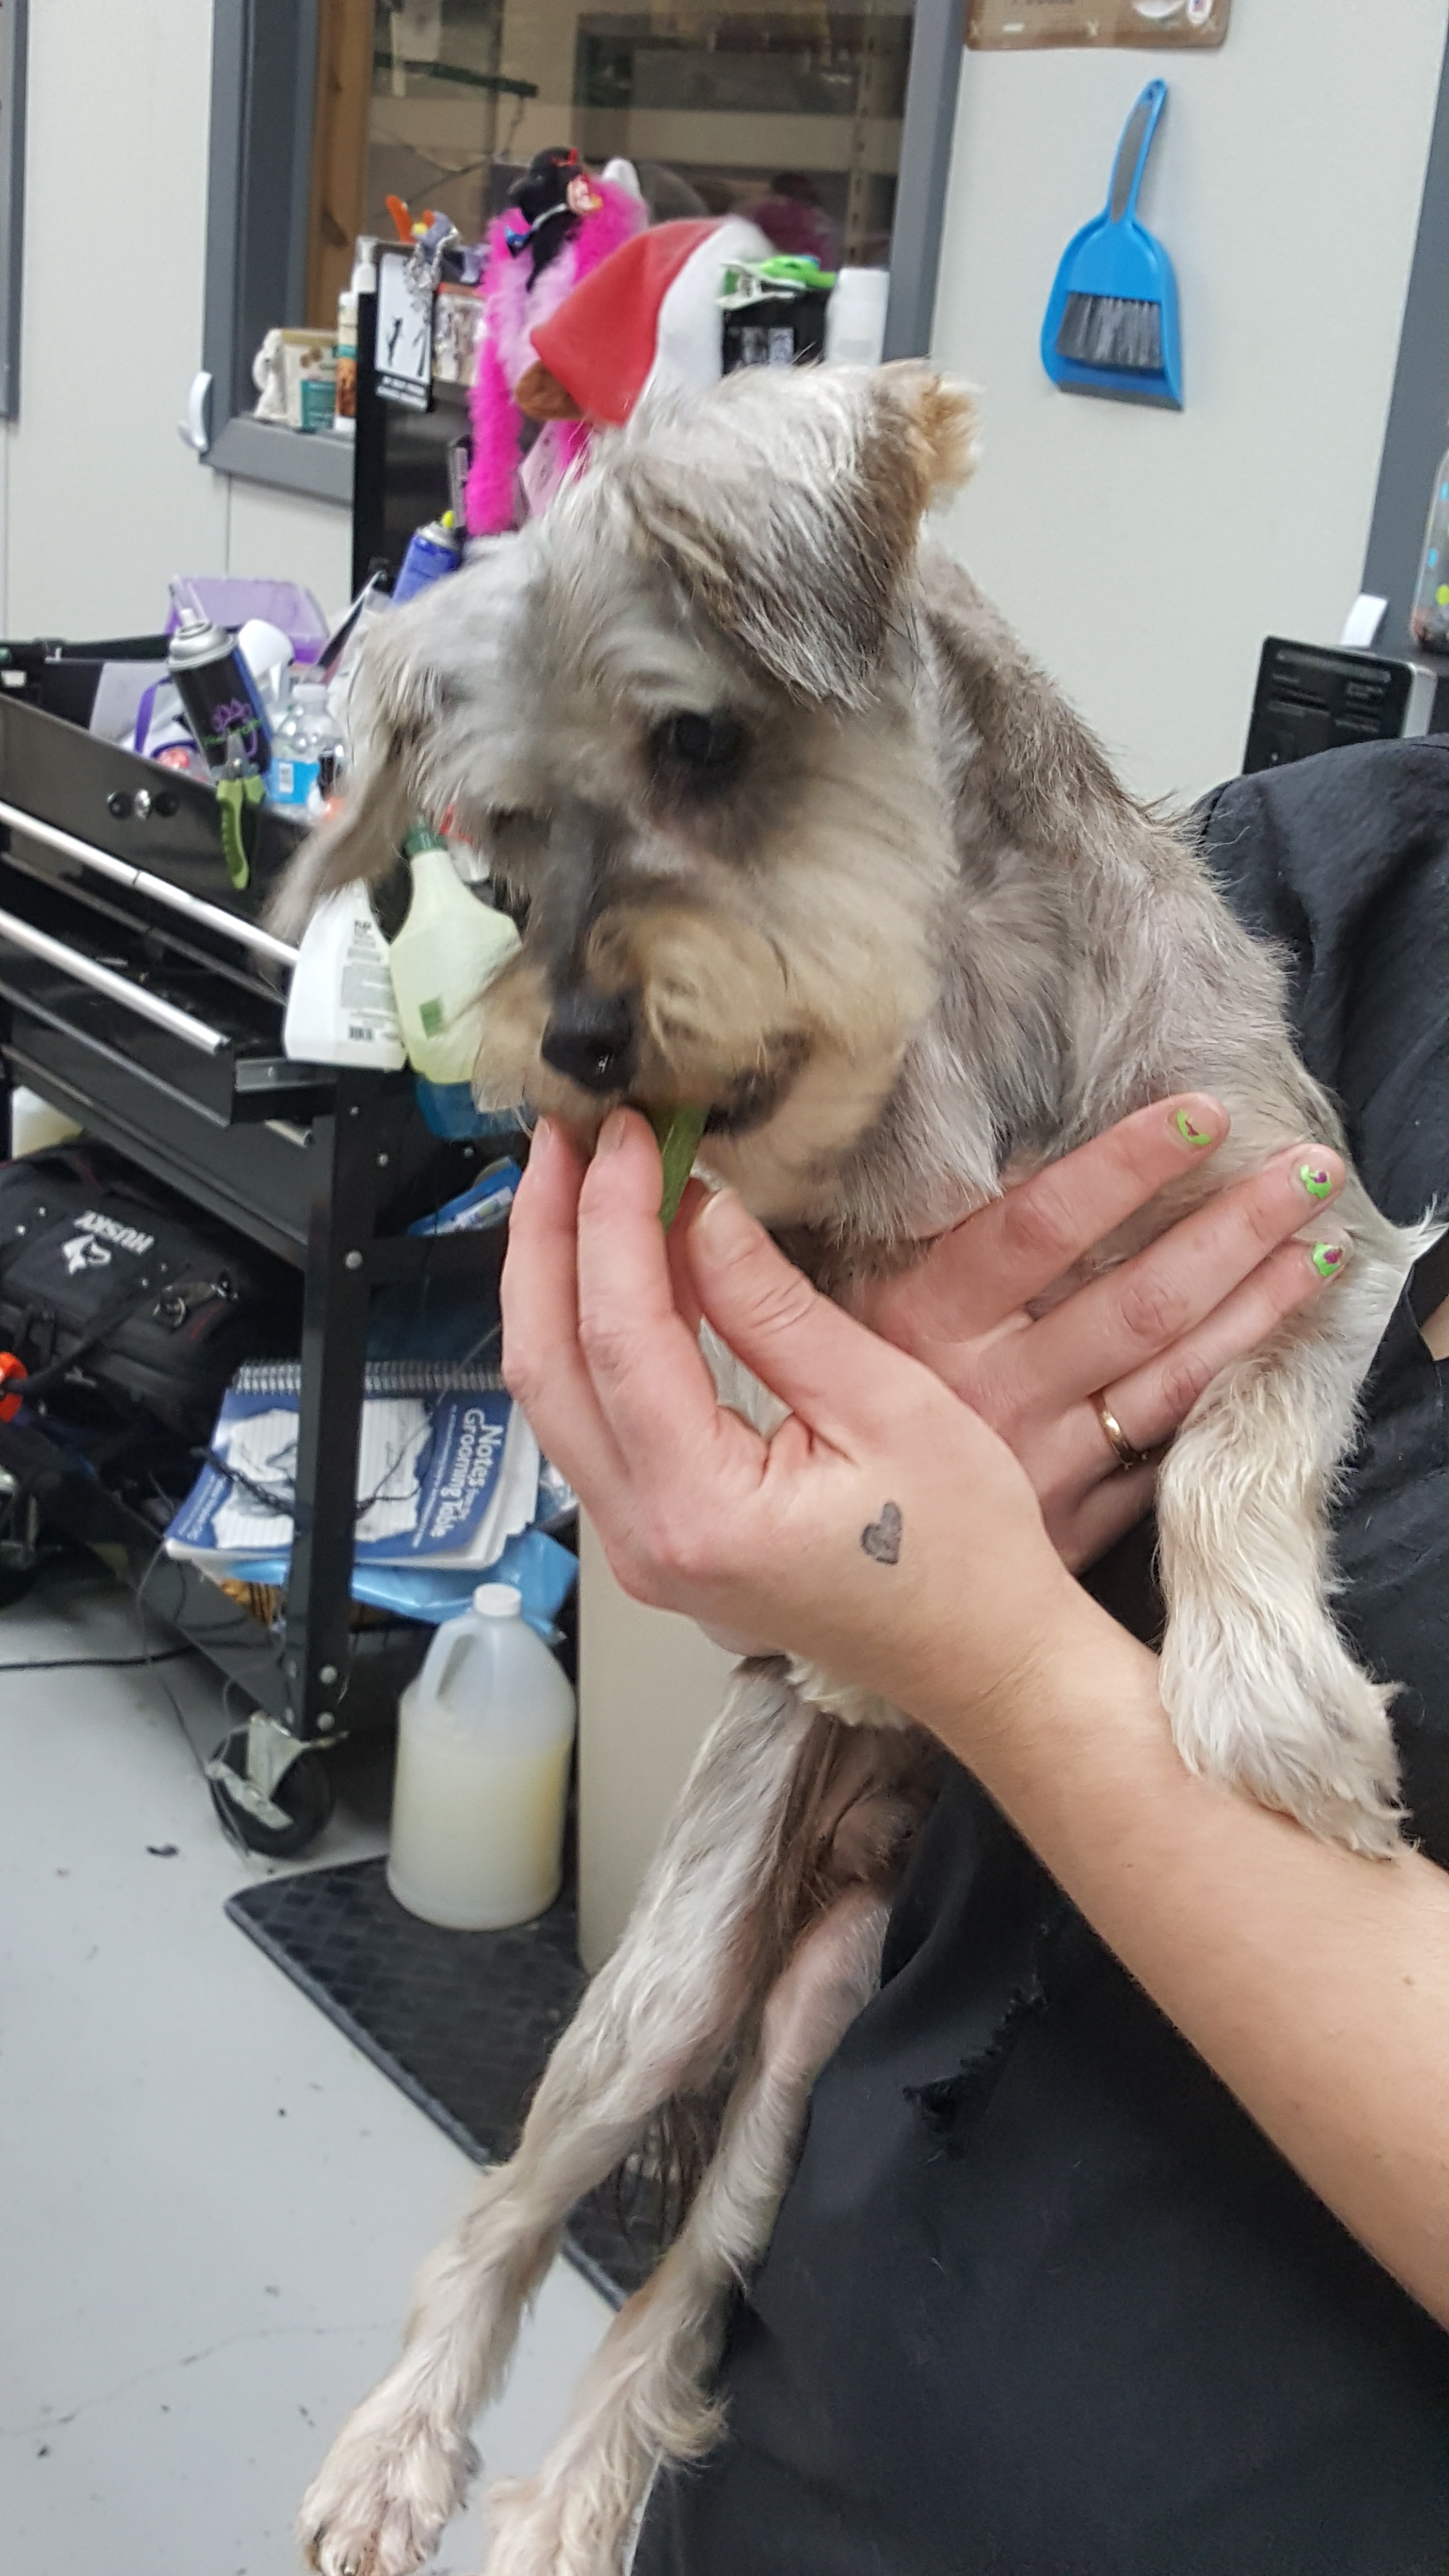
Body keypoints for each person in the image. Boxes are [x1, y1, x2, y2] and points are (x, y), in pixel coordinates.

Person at [501, 740, 1449, 2574]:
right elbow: (893, 1487)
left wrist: (989, 1649)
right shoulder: (1325, 888)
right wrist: (796, 1528)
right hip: (807, 2419)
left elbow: (965, 1609)